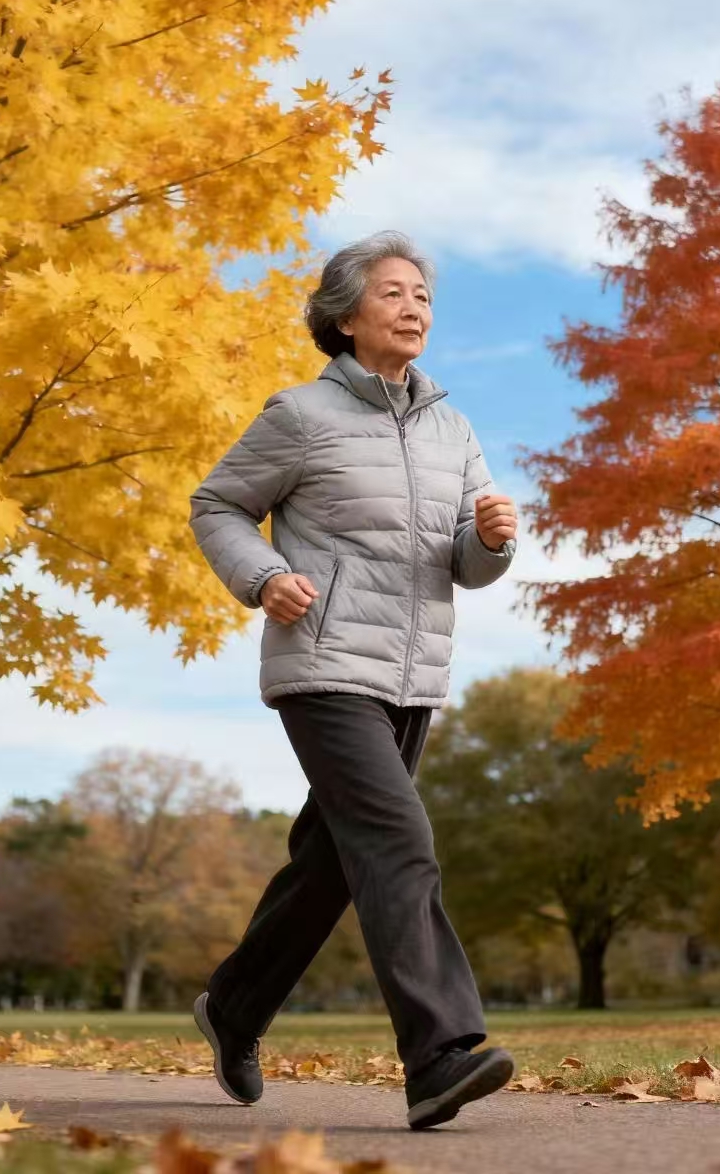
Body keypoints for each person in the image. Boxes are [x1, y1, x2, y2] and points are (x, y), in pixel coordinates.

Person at [188, 230, 519, 1130]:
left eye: (423, 296)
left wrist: (490, 538)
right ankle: (440, 1054)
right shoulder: (300, 415)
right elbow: (217, 504)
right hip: (324, 664)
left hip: (414, 677)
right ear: (344, 315)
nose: (415, 308)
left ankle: (235, 1005)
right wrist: (263, 576)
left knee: (335, 862)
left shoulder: (453, 427)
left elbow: (467, 564)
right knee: (400, 840)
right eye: (394, 294)